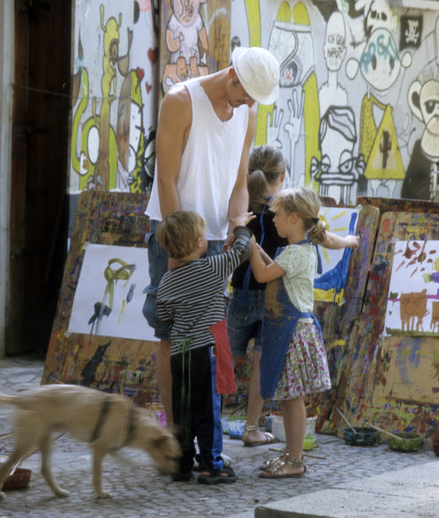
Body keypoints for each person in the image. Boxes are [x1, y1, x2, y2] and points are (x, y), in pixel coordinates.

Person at [141, 47, 280, 427]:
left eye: (255, 98)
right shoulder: (181, 100)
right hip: (175, 233)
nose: (249, 102)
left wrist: (239, 227)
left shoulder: (247, 112)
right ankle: (174, 436)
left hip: (217, 237)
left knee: (207, 335)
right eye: (246, 92)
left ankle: (203, 436)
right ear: (232, 73)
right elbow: (166, 179)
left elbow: (239, 181)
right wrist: (177, 246)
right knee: (171, 334)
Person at [229, 146, 359, 447]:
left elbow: (255, 263)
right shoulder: (290, 214)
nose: (275, 220)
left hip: (246, 296)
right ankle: (253, 427)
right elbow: (326, 238)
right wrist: (349, 240)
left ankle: (220, 425)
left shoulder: (243, 202)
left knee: (227, 359)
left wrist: (247, 241)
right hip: (273, 304)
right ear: (282, 175)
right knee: (264, 366)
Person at [248, 186, 358, 478]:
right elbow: (273, 269)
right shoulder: (297, 250)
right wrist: (258, 248)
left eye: (279, 215)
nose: (273, 221)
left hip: (293, 334)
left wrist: (248, 245)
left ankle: (295, 460)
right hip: (291, 331)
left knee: (293, 399)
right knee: (288, 397)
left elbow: (262, 274)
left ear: (294, 218)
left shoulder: (296, 253)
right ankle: (291, 454)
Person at [155, 210, 254, 484]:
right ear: (200, 242)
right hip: (205, 352)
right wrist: (239, 227)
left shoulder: (166, 281)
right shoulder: (211, 268)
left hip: (180, 354)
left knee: (184, 411)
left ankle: (182, 464)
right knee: (209, 410)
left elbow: (163, 316)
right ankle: (211, 465)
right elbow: (242, 251)